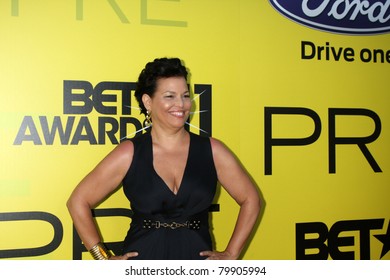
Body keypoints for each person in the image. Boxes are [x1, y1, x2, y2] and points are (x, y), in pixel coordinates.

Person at [67, 57, 261, 260]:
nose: (181, 104)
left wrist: (232, 253)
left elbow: (251, 199)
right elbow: (78, 201)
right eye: (170, 96)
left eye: (185, 96)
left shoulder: (212, 150)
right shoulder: (129, 152)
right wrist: (102, 257)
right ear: (148, 102)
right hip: (143, 260)